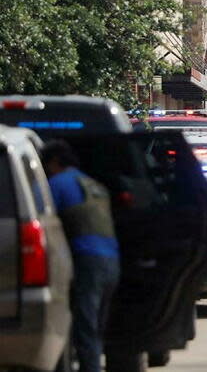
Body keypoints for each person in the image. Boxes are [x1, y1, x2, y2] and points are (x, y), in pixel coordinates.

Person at [41, 140, 119, 372]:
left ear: (54, 162)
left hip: (87, 262)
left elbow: (43, 220)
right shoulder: (92, 184)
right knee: (95, 327)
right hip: (112, 262)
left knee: (85, 327)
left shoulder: (57, 184)